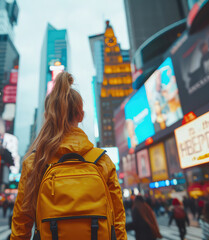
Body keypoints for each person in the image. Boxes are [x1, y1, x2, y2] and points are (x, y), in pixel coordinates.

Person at [10, 72, 126, 239]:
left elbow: (22, 223)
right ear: (81, 115)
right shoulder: (102, 161)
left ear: (47, 116)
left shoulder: (35, 162)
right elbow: (118, 219)